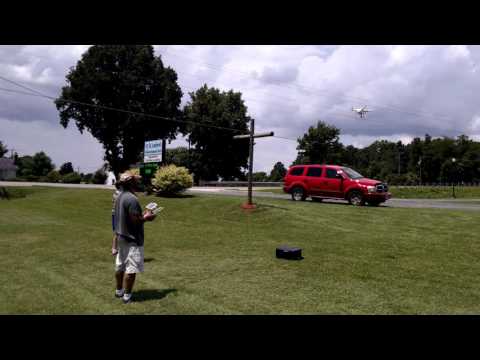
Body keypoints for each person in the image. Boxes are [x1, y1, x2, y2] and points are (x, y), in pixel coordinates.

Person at [113, 170, 156, 304]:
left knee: (120, 266)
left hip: (121, 237)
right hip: (132, 239)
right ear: (131, 182)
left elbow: (130, 217)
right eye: (136, 179)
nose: (138, 181)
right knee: (131, 269)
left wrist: (141, 215)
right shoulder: (132, 199)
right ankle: (127, 296)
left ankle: (119, 291)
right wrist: (147, 218)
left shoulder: (120, 196)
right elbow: (136, 221)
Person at [111, 182, 121, 256]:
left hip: (115, 213)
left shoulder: (115, 193)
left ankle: (115, 249)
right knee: (118, 232)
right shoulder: (119, 194)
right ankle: (114, 248)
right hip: (118, 214)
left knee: (117, 232)